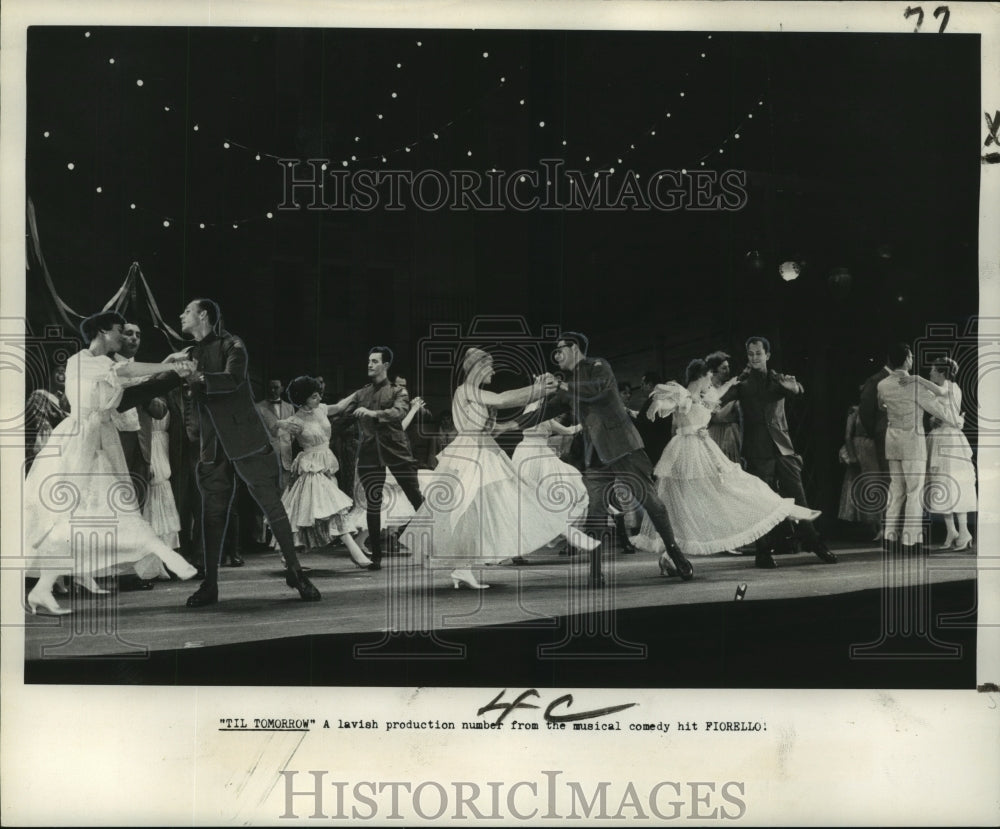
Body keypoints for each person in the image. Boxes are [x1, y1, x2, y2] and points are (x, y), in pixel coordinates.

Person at [23, 311, 198, 615]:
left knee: (101, 511)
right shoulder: (83, 360)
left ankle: (42, 589)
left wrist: (169, 364)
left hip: (101, 440)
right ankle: (168, 557)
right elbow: (127, 373)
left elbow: (134, 376)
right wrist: (169, 365)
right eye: (119, 330)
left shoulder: (106, 364)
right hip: (80, 440)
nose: (122, 336)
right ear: (103, 331)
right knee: (76, 514)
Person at [404, 347, 597, 589]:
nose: (494, 371)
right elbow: (504, 398)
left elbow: (495, 412)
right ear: (478, 366)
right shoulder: (466, 390)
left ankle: (463, 568)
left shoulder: (474, 394)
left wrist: (531, 398)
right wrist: (537, 390)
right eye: (491, 365)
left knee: (477, 510)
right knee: (511, 498)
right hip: (474, 452)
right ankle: (567, 531)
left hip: (478, 449)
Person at [170, 298, 320, 607]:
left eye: (187, 311)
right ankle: (209, 584)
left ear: (203, 315)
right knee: (212, 516)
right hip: (213, 446)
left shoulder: (232, 344)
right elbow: (171, 382)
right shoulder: (190, 354)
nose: (181, 315)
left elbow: (233, 379)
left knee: (272, 507)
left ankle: (296, 572)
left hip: (245, 440)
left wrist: (195, 377)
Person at [542, 332, 694, 586]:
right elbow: (550, 408)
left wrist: (563, 386)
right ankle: (595, 571)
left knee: (652, 503)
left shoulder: (599, 367)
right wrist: (510, 421)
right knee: (596, 513)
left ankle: (674, 552)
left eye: (560, 350)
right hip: (595, 455)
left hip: (622, 447)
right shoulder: (568, 383)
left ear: (575, 348)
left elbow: (596, 389)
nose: (556, 356)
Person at [631, 359, 820, 557]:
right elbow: (664, 401)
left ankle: (784, 509)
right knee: (686, 501)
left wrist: (732, 382)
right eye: (709, 378)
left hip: (703, 449)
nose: (711, 382)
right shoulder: (682, 394)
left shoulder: (706, 397)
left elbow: (719, 394)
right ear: (702, 376)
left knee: (731, 485)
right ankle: (671, 553)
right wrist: (654, 407)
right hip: (686, 451)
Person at [718, 336, 836, 569]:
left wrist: (793, 386)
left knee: (798, 496)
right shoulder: (741, 384)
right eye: (750, 354)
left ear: (767, 355)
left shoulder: (777, 379)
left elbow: (798, 390)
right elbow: (720, 401)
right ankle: (763, 552)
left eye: (758, 354)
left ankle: (814, 542)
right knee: (762, 503)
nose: (754, 358)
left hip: (783, 448)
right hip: (756, 450)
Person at [327, 347, 425, 571]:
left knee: (417, 499)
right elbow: (342, 418)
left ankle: (437, 545)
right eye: (368, 361)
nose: (369, 365)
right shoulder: (362, 394)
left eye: (374, 361)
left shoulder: (398, 392)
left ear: (386, 365)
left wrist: (373, 414)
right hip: (370, 454)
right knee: (373, 504)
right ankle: (376, 557)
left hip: (397, 453)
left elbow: (399, 413)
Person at [273, 376, 373, 568]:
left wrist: (358, 393)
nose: (318, 398)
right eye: (313, 396)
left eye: (318, 394)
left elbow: (340, 406)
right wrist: (279, 424)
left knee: (311, 512)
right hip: (311, 469)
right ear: (303, 399)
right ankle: (355, 551)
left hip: (327, 465)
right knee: (328, 510)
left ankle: (287, 554)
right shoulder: (295, 420)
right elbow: (269, 431)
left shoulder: (321, 409)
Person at [877, 343, 961, 547]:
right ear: (906, 358)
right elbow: (937, 409)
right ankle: (910, 540)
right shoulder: (915, 385)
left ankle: (889, 536)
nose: (913, 359)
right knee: (914, 491)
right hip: (912, 442)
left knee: (896, 490)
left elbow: (882, 406)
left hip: (892, 441)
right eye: (912, 356)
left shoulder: (883, 384)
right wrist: (957, 421)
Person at [924, 356, 976, 549]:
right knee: (941, 484)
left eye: (933, 370)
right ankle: (952, 531)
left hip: (949, 440)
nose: (930, 373)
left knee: (953, 483)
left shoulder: (950, 387)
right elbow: (941, 413)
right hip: (941, 437)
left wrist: (916, 380)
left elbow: (951, 416)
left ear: (942, 372)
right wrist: (933, 421)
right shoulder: (945, 389)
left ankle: (963, 532)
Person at [704, 351, 742, 463]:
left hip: (731, 432)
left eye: (728, 367)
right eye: (724, 368)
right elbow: (710, 417)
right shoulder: (707, 388)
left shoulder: (729, 387)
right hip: (714, 433)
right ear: (713, 371)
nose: (728, 371)